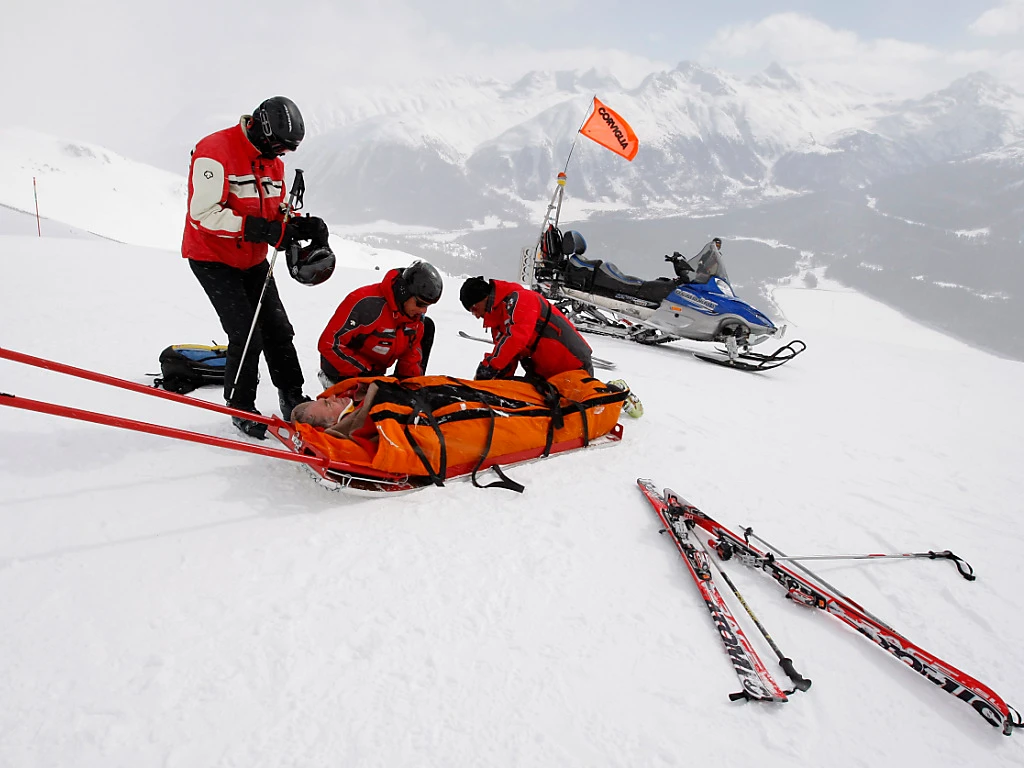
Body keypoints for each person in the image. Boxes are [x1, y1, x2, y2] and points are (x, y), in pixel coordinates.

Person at [182, 95, 331, 439]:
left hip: (250, 257)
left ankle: (291, 394)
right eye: (280, 146)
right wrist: (263, 230)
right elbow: (202, 214)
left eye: (288, 150)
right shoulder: (215, 151)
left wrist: (297, 226)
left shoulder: (272, 161)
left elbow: (274, 211)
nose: (283, 155)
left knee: (278, 329)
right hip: (212, 258)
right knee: (246, 333)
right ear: (262, 131)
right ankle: (240, 405)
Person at [317, 261, 442, 388]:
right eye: (420, 304)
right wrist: (367, 373)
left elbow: (411, 355)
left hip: (374, 376)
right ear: (404, 292)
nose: (423, 310)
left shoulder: (414, 318)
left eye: (427, 306)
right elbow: (329, 344)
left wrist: (409, 388)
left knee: (428, 326)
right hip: (343, 372)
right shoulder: (366, 303)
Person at [459, 276, 593, 380]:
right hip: (546, 376)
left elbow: (517, 337)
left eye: (474, 309)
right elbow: (508, 361)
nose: (476, 315)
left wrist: (491, 365)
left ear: (484, 297)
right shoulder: (498, 324)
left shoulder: (522, 298)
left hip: (574, 367)